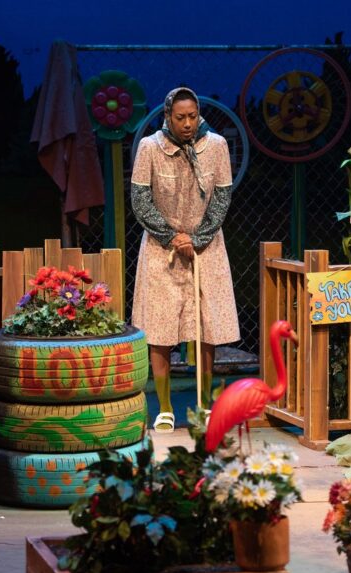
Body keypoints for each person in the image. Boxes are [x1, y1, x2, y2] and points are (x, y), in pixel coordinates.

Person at [130, 87, 239, 433]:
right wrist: (171, 236)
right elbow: (140, 200)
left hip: (205, 247)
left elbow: (222, 198)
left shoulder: (217, 146)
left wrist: (198, 237)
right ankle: (164, 407)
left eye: (193, 116)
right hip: (161, 249)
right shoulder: (149, 147)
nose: (188, 123)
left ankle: (204, 406)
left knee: (206, 327)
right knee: (160, 329)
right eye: (181, 118)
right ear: (168, 117)